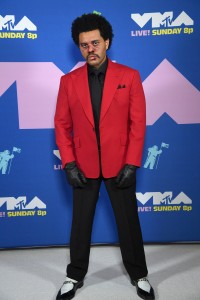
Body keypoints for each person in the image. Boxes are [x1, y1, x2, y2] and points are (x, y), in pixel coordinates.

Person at [54, 12, 155, 300]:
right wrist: (70, 163)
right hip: (83, 167)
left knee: (128, 223)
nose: (90, 50)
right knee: (80, 223)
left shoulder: (130, 76)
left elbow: (138, 123)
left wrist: (132, 162)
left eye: (95, 43)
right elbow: (61, 124)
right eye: (84, 45)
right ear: (79, 47)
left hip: (121, 165)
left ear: (107, 42)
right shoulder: (68, 81)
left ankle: (139, 275)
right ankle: (74, 276)